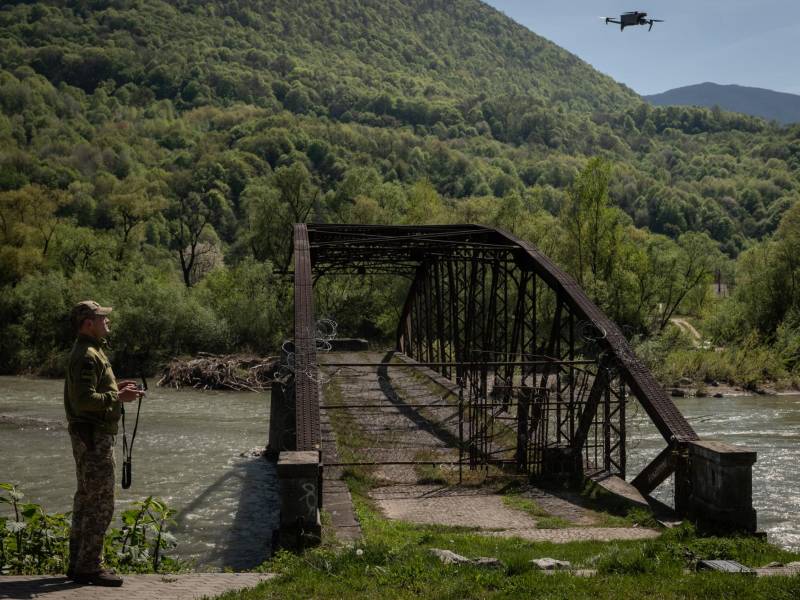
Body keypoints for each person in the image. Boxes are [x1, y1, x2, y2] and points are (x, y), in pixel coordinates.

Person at [64, 300, 144, 587]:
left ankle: (78, 564)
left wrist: (115, 388)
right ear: (88, 323)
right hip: (93, 437)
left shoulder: (91, 352)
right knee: (100, 503)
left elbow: (90, 392)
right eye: (102, 319)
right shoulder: (87, 355)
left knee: (86, 499)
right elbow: (84, 400)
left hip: (90, 435)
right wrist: (117, 398)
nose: (107, 322)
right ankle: (89, 567)